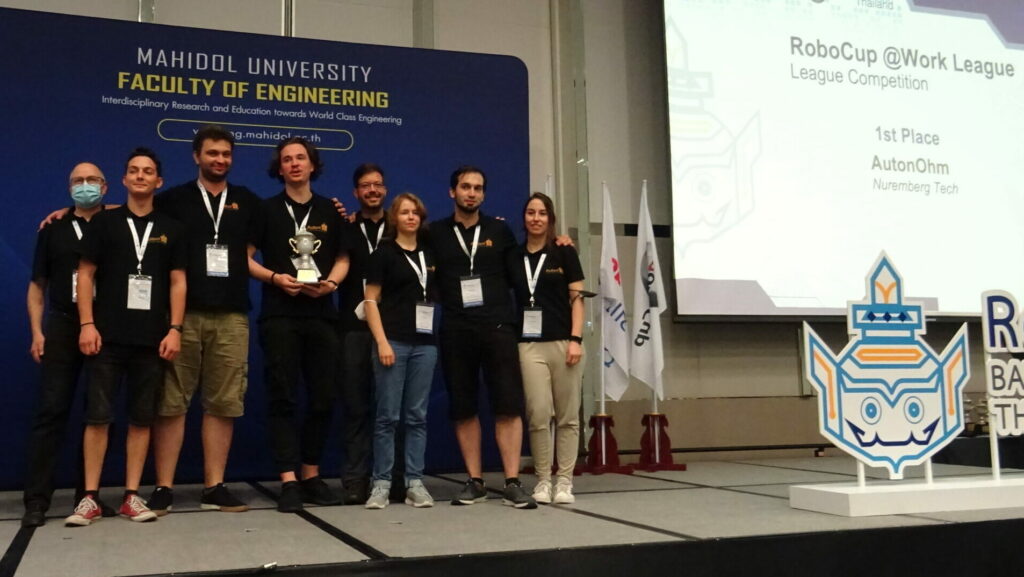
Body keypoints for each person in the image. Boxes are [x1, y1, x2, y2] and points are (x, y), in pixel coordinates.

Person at [67, 148, 187, 526]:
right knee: (98, 417)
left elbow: (178, 282)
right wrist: (87, 324)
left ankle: (131, 495)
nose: (140, 176)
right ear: (123, 179)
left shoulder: (172, 228)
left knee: (141, 419)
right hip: (105, 336)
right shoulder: (104, 223)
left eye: (147, 171)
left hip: (151, 339)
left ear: (158, 181)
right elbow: (85, 274)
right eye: (133, 170)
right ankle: (89, 498)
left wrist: (175, 329)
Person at [144, 125, 259, 515]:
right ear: (197, 156)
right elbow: (133, 210)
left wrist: (339, 211)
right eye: (212, 153)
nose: (219, 159)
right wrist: (75, 213)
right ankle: (163, 487)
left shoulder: (247, 201)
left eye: (226, 153)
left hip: (232, 316)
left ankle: (214, 487)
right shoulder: (173, 200)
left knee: (224, 403)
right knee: (171, 402)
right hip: (182, 316)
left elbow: (283, 229)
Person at [247, 137, 349, 512]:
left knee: (323, 397)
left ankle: (311, 474)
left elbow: (343, 257)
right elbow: (244, 258)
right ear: (280, 168)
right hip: (280, 314)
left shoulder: (331, 210)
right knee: (283, 396)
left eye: (300, 158)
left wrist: (332, 283)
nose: (294, 164)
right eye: (287, 159)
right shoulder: (266, 209)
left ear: (312, 165)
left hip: (322, 315)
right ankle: (288, 479)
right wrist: (275, 278)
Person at [430, 166, 536, 509]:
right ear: (453, 192)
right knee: (463, 406)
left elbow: (521, 269)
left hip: (497, 327)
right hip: (456, 329)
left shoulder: (499, 230)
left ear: (483, 194)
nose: (471, 193)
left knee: (508, 404)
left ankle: (512, 482)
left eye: (477, 188)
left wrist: (557, 242)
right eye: (465, 187)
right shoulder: (435, 233)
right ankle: (474, 481)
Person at [22, 163, 112, 527]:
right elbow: (37, 286)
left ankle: (86, 496)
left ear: (105, 187)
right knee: (51, 411)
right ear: (68, 186)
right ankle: (36, 500)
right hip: (61, 324)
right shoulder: (53, 228)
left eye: (92, 181)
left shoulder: (116, 223)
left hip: (106, 326)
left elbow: (143, 205)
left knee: (98, 413)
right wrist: (37, 332)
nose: (85, 186)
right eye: (78, 181)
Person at [507, 193, 585, 504]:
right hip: (529, 345)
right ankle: (542, 480)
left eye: (542, 213)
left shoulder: (564, 251)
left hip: (564, 343)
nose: (536, 218)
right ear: (524, 217)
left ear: (550, 219)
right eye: (530, 212)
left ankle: (564, 481)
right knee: (538, 413)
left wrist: (576, 339)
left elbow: (577, 299)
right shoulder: (513, 256)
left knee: (567, 416)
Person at [363, 193, 438, 509]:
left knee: (417, 417)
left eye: (415, 212)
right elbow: (370, 301)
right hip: (392, 342)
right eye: (404, 212)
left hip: (425, 344)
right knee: (388, 417)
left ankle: (414, 482)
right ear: (394, 218)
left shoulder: (430, 252)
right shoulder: (383, 253)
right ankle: (381, 483)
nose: (410, 217)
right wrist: (381, 342)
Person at [335, 163, 390, 505]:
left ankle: (391, 477)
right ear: (356, 192)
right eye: (366, 186)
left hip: (392, 328)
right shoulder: (345, 227)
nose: (372, 190)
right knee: (356, 407)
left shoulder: (401, 226)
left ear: (385, 190)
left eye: (378, 184)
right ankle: (355, 479)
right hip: (353, 329)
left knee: (390, 409)